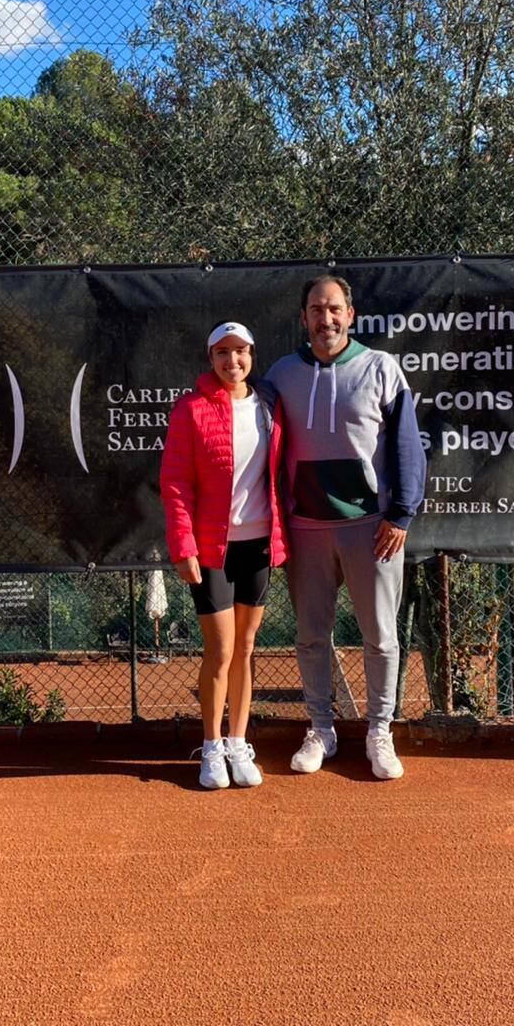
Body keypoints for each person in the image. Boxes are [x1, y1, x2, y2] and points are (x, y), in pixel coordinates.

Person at [265, 276, 426, 780]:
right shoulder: (281, 374)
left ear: (350, 315)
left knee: (380, 637)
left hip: (372, 529)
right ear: (304, 318)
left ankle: (380, 731)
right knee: (312, 636)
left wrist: (401, 514)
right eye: (316, 309)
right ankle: (322, 729)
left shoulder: (381, 368)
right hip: (306, 529)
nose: (326, 318)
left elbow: (407, 447)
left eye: (334, 309)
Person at [160, 321, 287, 790]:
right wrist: (183, 546)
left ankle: (238, 742)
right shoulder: (191, 409)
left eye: (240, 353)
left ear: (252, 355)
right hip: (211, 548)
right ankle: (211, 748)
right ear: (210, 359)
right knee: (221, 649)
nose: (232, 362)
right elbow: (175, 485)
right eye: (222, 354)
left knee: (247, 648)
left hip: (258, 544)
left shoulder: (271, 407)